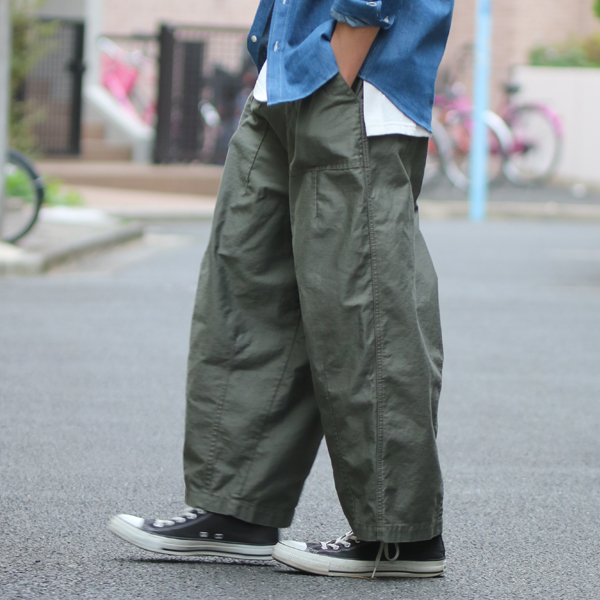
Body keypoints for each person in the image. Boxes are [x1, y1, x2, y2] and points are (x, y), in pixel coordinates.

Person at [108, 0, 454, 579]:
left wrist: (342, 58)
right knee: (249, 282)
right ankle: (236, 509)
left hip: (356, 78)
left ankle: (400, 534)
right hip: (286, 72)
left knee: (363, 302)